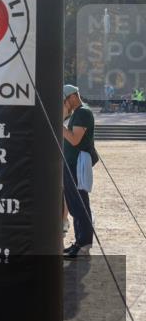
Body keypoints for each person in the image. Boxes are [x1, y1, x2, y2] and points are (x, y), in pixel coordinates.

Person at [62, 84, 96, 259]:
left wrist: (58, 125)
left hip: (77, 164)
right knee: (75, 203)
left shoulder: (83, 112)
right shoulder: (78, 113)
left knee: (79, 203)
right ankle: (80, 241)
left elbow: (75, 140)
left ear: (73, 96)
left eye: (65, 100)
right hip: (72, 164)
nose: (64, 104)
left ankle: (83, 243)